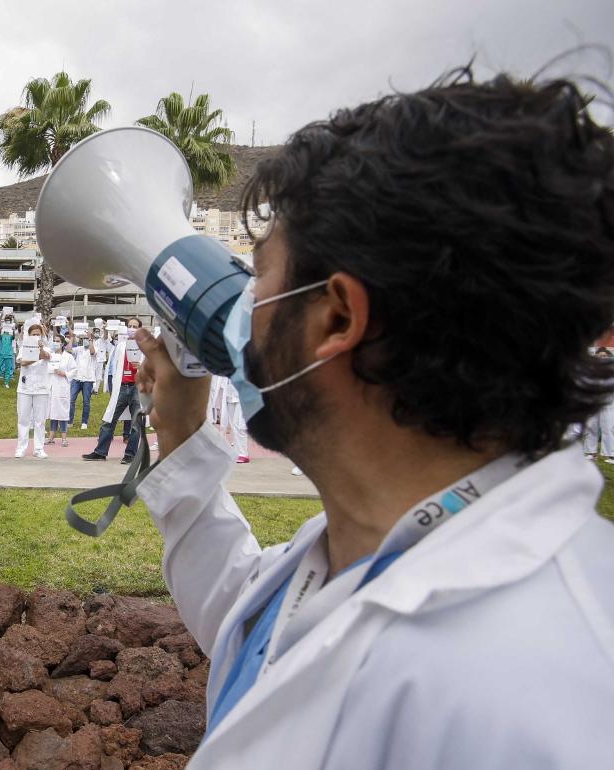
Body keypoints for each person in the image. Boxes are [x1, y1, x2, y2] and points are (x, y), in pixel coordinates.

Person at [125, 70, 614, 768]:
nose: (243, 306)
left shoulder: (552, 706)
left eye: (259, 275)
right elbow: (260, 630)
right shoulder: (374, 543)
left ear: (338, 316)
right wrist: (181, 434)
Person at [83, 318, 143, 465]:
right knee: (108, 420)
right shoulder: (121, 346)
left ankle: (130, 454)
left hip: (137, 388)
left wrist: (141, 366)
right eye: (129, 326)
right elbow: (112, 366)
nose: (131, 329)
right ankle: (100, 452)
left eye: (135, 326)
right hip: (121, 387)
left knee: (136, 424)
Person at [15, 321, 52, 458]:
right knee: (23, 419)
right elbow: (22, 362)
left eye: (38, 334)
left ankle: (39, 449)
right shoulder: (23, 347)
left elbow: (46, 357)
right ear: (28, 335)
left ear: (42, 335)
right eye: (33, 334)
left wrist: (40, 350)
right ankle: (21, 448)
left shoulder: (47, 348)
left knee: (40, 420)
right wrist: (37, 356)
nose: (36, 336)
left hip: (41, 389)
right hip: (24, 388)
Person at [47, 334, 76, 447]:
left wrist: (64, 373)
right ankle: (51, 437)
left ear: (63, 343)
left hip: (62, 387)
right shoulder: (50, 356)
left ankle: (64, 438)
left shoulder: (68, 357)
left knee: (62, 413)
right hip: (51, 387)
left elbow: (74, 370)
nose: (55, 342)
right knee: (52, 413)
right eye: (54, 340)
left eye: (57, 341)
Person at [70, 332, 98, 430]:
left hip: (88, 380)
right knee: (71, 400)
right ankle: (70, 421)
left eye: (88, 339)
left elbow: (92, 352)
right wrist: (72, 337)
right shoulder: (78, 349)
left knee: (86, 402)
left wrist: (90, 339)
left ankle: (84, 422)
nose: (86, 340)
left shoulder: (94, 348)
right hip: (76, 378)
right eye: (85, 338)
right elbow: (69, 350)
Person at [0, 319, 16, 389]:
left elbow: (14, 337)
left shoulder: (10, 336)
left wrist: (13, 330)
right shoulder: (2, 335)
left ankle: (6, 382)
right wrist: (0, 329)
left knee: (7, 369)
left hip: (9, 354)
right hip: (1, 354)